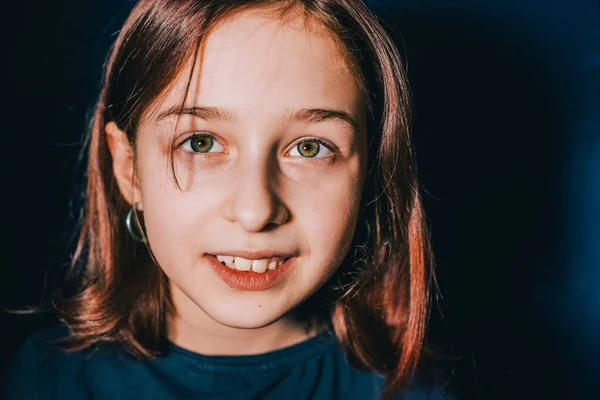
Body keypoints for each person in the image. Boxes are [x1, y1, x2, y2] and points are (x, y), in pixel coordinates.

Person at [2, 0, 453, 399]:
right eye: (200, 143)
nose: (255, 212)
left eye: (309, 148)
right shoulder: (46, 378)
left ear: (368, 176)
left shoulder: (408, 390)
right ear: (129, 169)